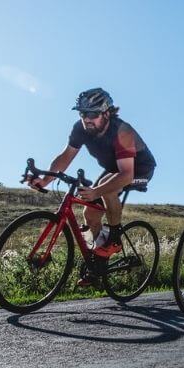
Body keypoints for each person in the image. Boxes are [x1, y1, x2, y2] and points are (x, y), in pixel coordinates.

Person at [28, 88, 156, 284]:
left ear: (107, 112)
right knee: (90, 214)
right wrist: (45, 180)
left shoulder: (122, 131)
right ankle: (97, 265)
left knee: (107, 190)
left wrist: (96, 191)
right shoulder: (81, 129)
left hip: (138, 169)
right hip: (114, 168)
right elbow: (65, 157)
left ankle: (113, 240)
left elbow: (126, 174)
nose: (87, 119)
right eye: (82, 114)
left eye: (92, 114)